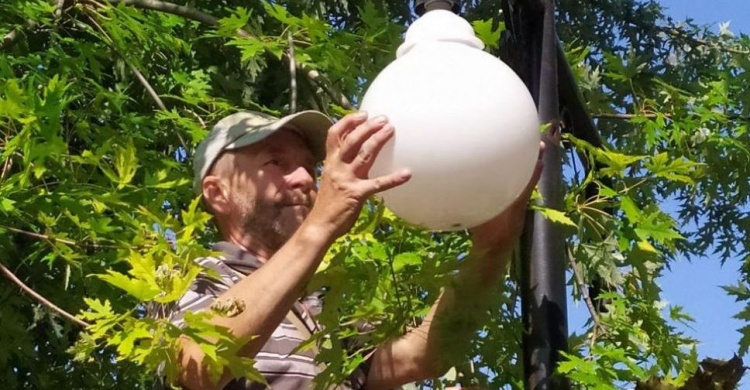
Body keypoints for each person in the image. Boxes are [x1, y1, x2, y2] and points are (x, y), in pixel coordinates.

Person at [170, 109, 543, 390]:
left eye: (308, 167)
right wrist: (322, 225)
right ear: (217, 193)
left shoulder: (325, 303)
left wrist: (492, 245)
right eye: (276, 162)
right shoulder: (187, 275)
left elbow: (422, 355)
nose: (304, 179)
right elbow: (198, 364)